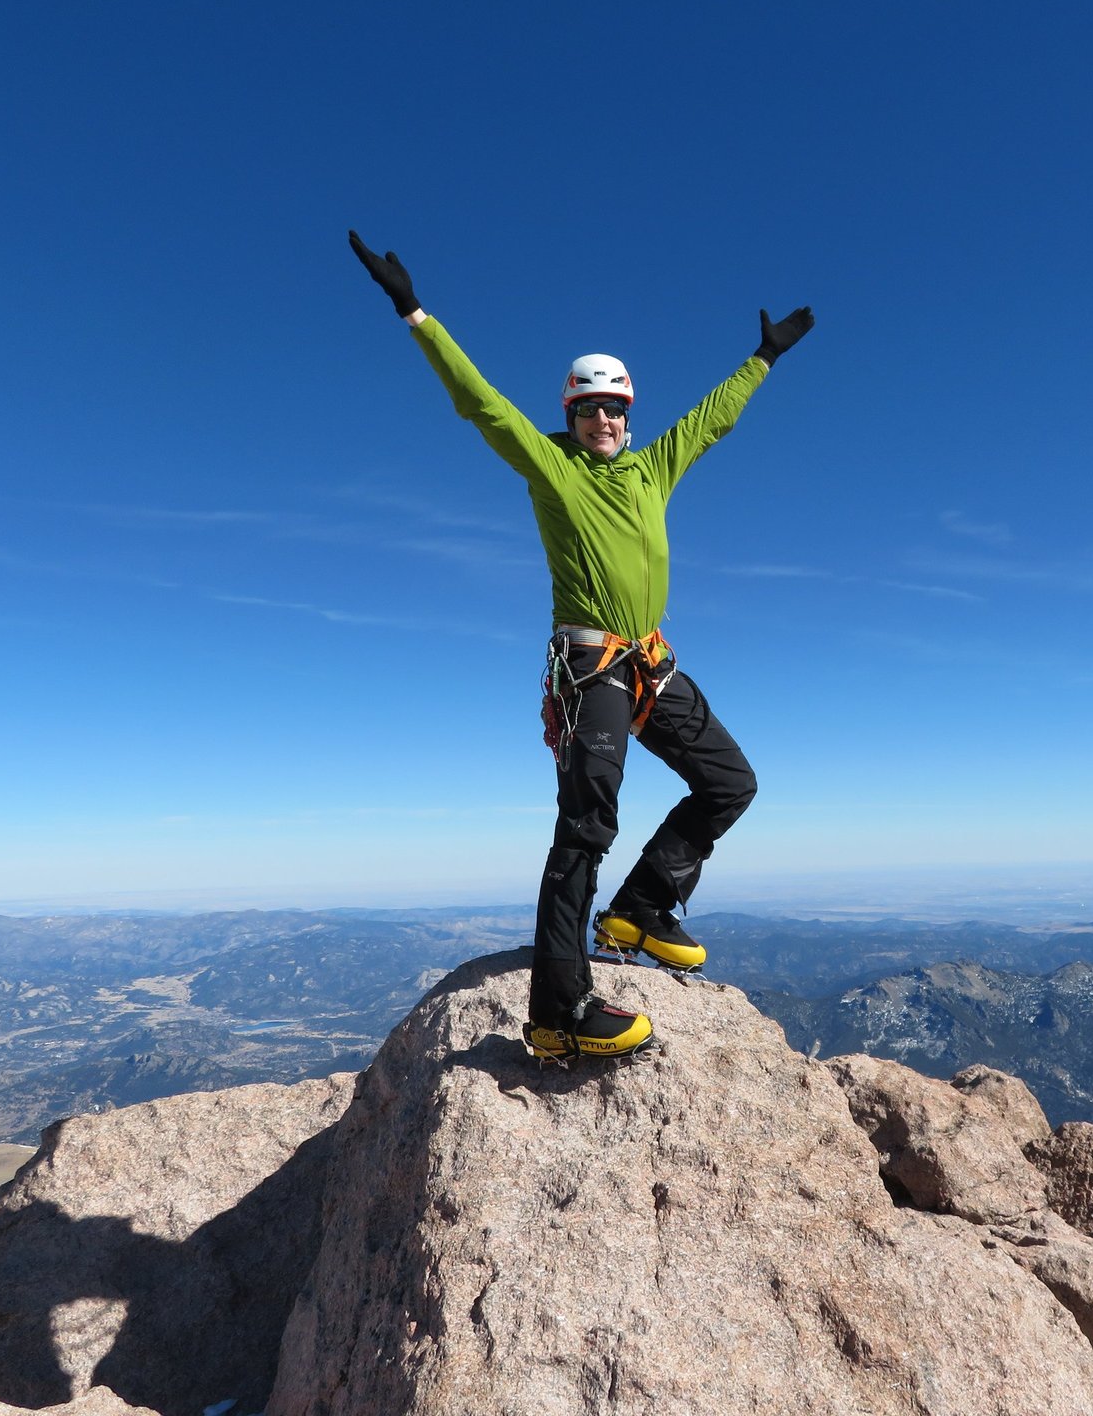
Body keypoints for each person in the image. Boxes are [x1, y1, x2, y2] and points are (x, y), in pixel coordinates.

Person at [348, 231, 814, 1062]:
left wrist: (763, 358)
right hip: (592, 665)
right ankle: (557, 1010)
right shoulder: (553, 468)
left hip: (650, 660)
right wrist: (415, 313)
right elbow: (481, 401)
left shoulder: (651, 469)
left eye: (615, 408)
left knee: (729, 783)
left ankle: (641, 908)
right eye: (590, 408)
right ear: (569, 415)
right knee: (585, 826)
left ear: (629, 416)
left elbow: (712, 421)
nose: (604, 418)